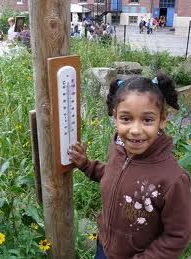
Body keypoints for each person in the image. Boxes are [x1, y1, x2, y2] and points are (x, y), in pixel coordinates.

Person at [69, 73, 191, 259]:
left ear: (162, 119)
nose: (135, 130)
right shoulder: (118, 150)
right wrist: (86, 165)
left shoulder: (172, 179)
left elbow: (177, 236)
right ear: (115, 117)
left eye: (147, 120)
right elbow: (112, 175)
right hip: (104, 247)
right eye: (126, 119)